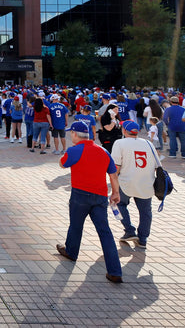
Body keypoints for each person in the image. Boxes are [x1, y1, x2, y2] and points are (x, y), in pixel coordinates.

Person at [56, 121, 123, 283]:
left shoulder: (75, 150)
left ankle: (72, 252)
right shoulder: (103, 151)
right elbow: (113, 175)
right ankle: (115, 271)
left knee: (76, 225)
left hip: (80, 194)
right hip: (100, 196)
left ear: (74, 134)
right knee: (104, 232)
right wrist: (115, 193)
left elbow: (62, 164)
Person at [111, 121, 157, 249]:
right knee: (145, 211)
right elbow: (156, 165)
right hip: (146, 182)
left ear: (124, 131)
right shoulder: (148, 143)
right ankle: (143, 239)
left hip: (126, 181)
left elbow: (116, 167)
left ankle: (129, 230)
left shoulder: (119, 143)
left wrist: (113, 184)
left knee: (119, 204)